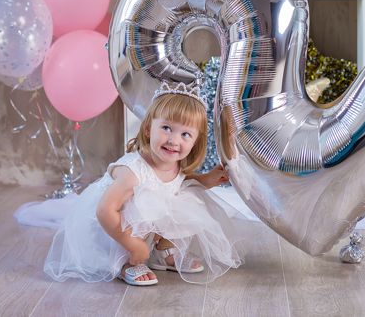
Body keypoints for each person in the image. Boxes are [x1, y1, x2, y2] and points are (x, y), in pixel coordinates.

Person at [44, 81, 244, 286]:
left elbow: (177, 183)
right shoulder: (133, 172)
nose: (174, 140)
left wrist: (206, 180)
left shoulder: (173, 163)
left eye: (185, 134)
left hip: (133, 230)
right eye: (166, 128)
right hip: (108, 231)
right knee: (142, 206)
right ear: (148, 129)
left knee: (189, 198)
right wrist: (133, 245)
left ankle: (162, 251)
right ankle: (125, 262)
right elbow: (104, 211)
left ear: (195, 142)